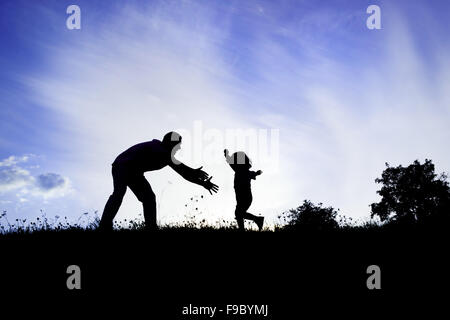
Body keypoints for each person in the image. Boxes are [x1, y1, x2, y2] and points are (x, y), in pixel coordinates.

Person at [99, 132, 218, 230]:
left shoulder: (163, 152)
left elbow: (183, 172)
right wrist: (196, 175)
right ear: (170, 143)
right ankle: (104, 226)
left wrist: (201, 182)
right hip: (122, 165)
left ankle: (151, 228)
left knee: (149, 198)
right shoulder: (159, 149)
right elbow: (182, 170)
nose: (179, 148)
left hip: (134, 171)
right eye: (177, 145)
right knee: (119, 193)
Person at [224, 149, 264, 231]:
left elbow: (229, 161)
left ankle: (257, 220)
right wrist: (226, 154)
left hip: (245, 197)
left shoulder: (242, 171)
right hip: (243, 198)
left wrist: (226, 154)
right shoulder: (243, 171)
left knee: (239, 213)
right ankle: (256, 220)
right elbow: (229, 161)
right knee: (239, 214)